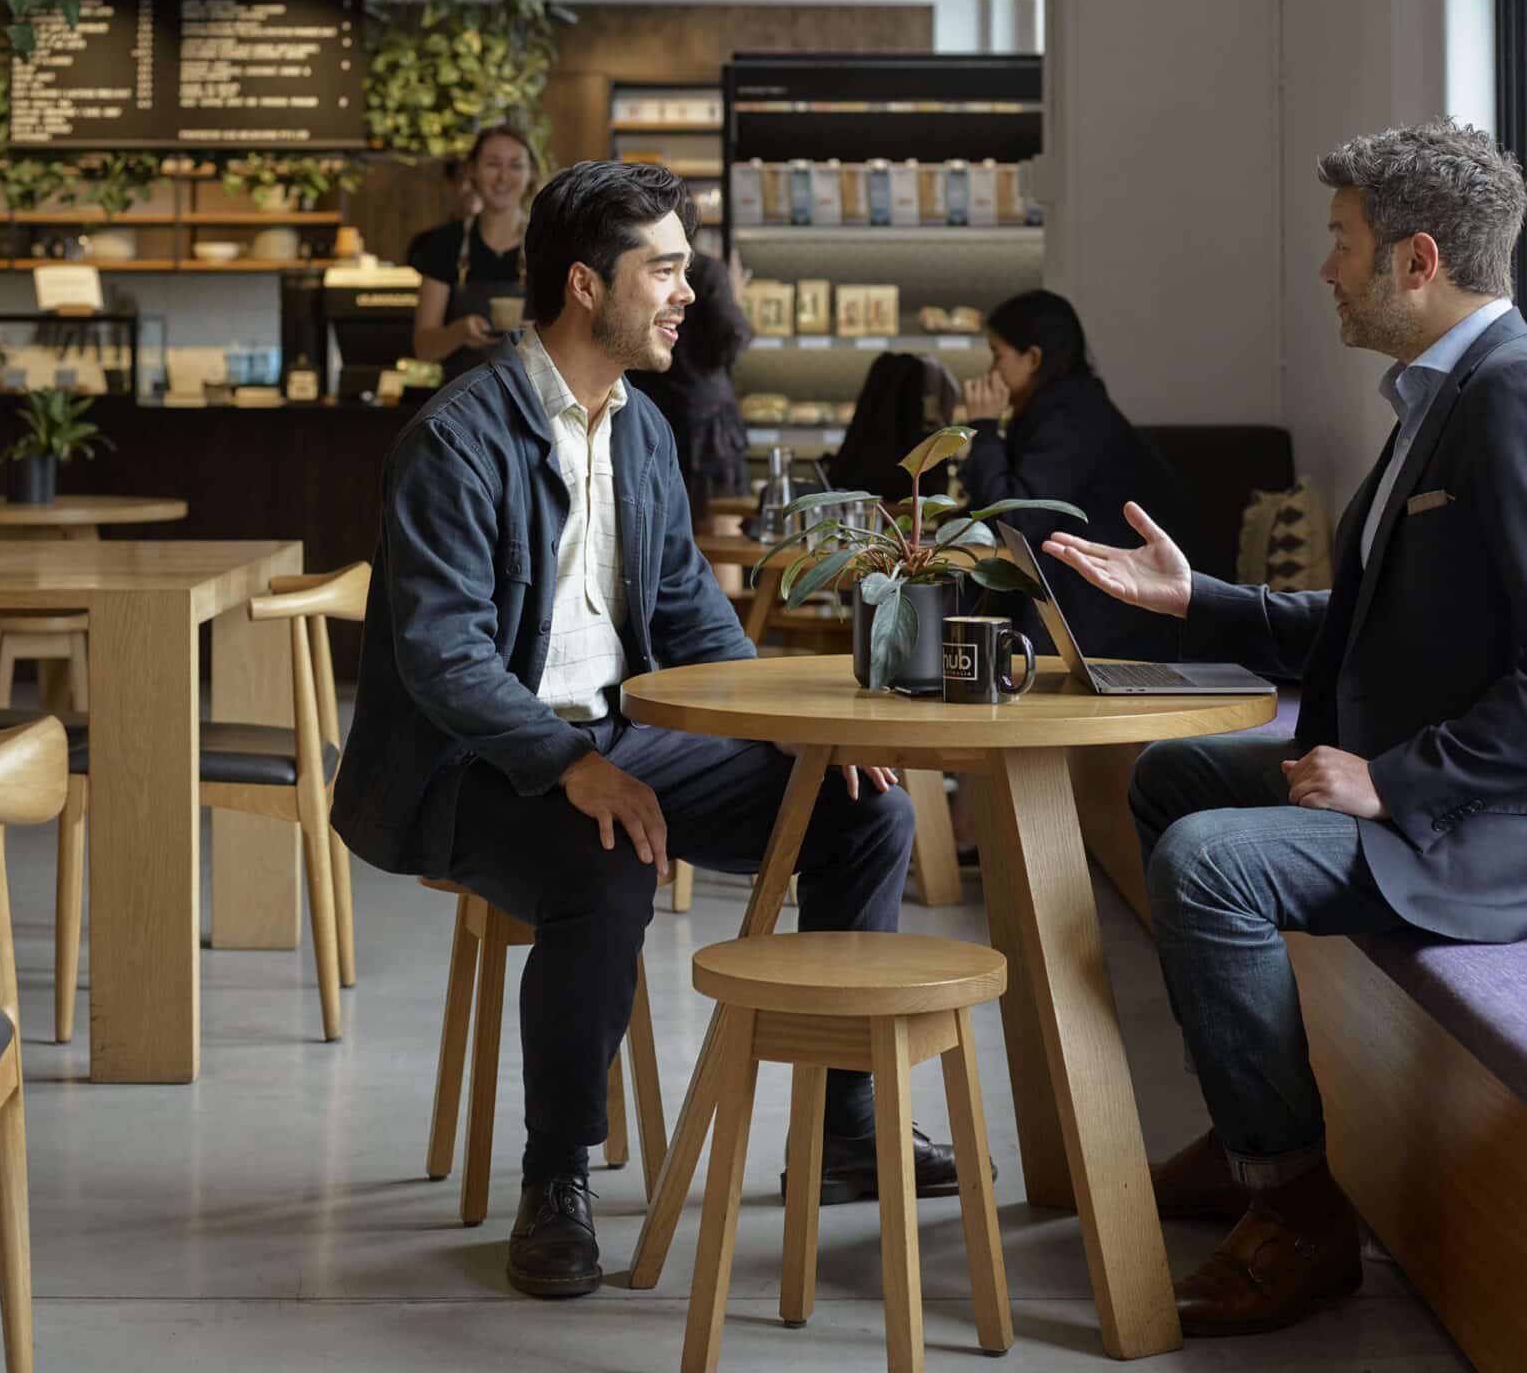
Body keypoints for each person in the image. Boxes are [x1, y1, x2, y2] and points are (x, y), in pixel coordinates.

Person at [1042, 119, 1527, 1337]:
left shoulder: (1522, 404)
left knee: (1207, 860)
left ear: (1416, 259)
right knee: (1175, 777)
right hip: (1470, 790)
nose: (1325, 268)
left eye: (1341, 244)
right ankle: (1248, 1137)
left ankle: (1293, 1210)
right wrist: (1198, 601)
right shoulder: (1440, 400)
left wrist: (1394, 783)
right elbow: (1375, 620)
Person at [331, 161, 947, 1302]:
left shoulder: (643, 431)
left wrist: (799, 730)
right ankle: (555, 1176)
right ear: (582, 285)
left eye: (683, 267)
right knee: (602, 864)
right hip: (476, 762)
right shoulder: (457, 438)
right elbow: (442, 656)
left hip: (610, 738)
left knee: (863, 809)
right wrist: (568, 764)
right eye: (662, 269)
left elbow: (689, 619)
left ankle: (847, 1130)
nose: (687, 293)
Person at [959, 289, 1185, 661]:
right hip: (1098, 595)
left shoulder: (1071, 418)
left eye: (997, 356)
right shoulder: (1058, 409)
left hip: (1117, 613)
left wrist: (983, 426)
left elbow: (1015, 518)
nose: (990, 372)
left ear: (1032, 358)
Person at [624, 248, 752, 523]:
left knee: (653, 527)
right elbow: (734, 336)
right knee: (720, 534)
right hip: (707, 423)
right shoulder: (707, 270)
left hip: (647, 410)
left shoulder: (633, 262)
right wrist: (736, 299)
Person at [407, 125, 540, 382]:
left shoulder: (548, 244)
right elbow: (423, 348)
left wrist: (540, 337)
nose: (503, 177)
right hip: (460, 407)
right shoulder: (444, 243)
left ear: (531, 174)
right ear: (472, 171)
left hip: (533, 403)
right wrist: (458, 333)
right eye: (492, 164)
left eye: (515, 165)